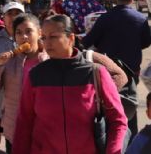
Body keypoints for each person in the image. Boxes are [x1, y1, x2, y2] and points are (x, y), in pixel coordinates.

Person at [12, 14, 127, 154]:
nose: (47, 43)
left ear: (71, 38)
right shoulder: (36, 76)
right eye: (44, 37)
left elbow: (118, 120)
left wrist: (113, 151)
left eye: (53, 37)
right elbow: (24, 124)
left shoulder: (95, 73)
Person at [82, 0, 151, 138]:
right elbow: (147, 42)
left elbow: (88, 41)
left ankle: (109, 140)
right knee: (130, 108)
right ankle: (130, 141)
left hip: (107, 73)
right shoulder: (140, 19)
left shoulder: (105, 18)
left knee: (108, 108)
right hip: (131, 72)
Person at [0, 13, 48, 153]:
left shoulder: (50, 60)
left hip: (45, 131)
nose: (24, 37)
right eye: (19, 33)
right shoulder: (9, 63)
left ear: (39, 33)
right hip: (15, 131)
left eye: (29, 31)